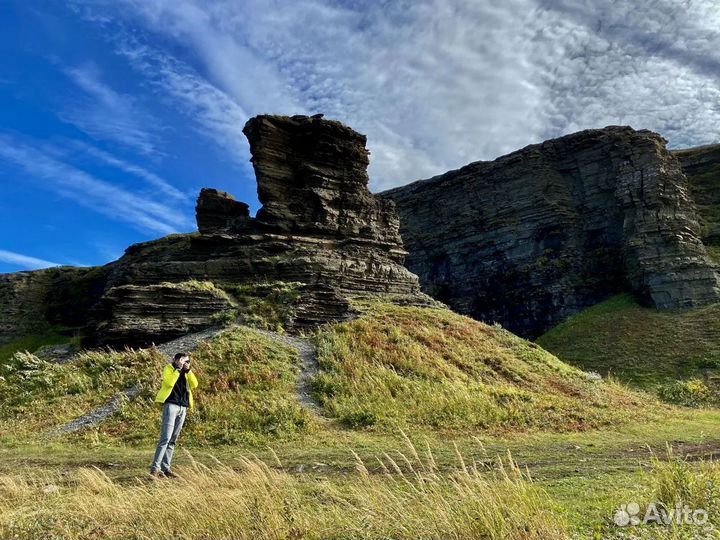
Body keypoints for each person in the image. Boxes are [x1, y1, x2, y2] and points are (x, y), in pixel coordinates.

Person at [149, 352, 198, 478]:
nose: (185, 363)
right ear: (176, 360)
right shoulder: (169, 369)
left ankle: (166, 469)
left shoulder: (186, 372)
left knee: (173, 440)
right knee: (165, 438)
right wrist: (177, 369)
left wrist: (189, 371)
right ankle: (155, 469)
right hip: (171, 405)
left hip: (183, 407)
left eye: (187, 361)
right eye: (183, 361)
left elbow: (195, 385)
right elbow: (169, 383)